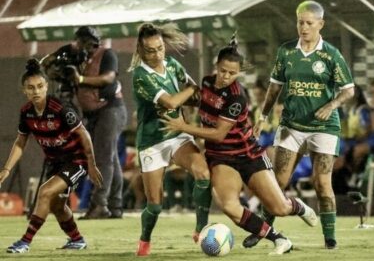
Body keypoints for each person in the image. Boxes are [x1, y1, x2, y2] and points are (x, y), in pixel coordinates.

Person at [161, 35, 318, 255]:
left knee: (279, 208)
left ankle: (298, 206)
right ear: (217, 65)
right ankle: (279, 239)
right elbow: (199, 100)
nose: (226, 76)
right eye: (223, 70)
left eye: (232, 73)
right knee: (229, 206)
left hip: (248, 155)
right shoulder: (206, 82)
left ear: (239, 73)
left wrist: (182, 126)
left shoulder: (237, 97)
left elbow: (218, 134)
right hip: (221, 158)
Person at [242, 0, 355, 250]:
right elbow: (274, 88)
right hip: (291, 126)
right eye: (299, 22)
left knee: (322, 185)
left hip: (324, 128)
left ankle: (330, 238)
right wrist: (262, 117)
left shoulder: (331, 55)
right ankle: (263, 231)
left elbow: (349, 90)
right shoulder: (286, 52)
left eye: (308, 23)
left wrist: (331, 105)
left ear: (320, 24)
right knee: (277, 182)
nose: (303, 27)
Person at [0, 59, 103, 254]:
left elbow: (84, 134)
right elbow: (21, 142)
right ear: (24, 90)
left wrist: (91, 163)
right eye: (30, 88)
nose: (36, 91)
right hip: (55, 163)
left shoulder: (60, 108)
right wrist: (6, 169)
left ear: (47, 86)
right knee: (57, 205)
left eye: (40, 86)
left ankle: (25, 241)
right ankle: (77, 239)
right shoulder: (26, 113)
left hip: (76, 160)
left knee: (45, 192)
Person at [130, 23, 212, 256]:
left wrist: (202, 95)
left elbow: (194, 96)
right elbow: (171, 102)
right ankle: (145, 239)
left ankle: (201, 228)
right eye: (151, 50)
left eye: (160, 48)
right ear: (140, 49)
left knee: (203, 174)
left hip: (177, 134)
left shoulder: (173, 65)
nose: (157, 54)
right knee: (155, 205)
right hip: (152, 142)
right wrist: (192, 88)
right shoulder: (140, 76)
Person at [42, 26, 127, 219]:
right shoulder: (76, 55)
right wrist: (53, 66)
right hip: (94, 113)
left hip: (111, 108)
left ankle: (99, 205)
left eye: (85, 42)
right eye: (79, 41)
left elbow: (108, 78)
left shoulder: (107, 54)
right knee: (110, 157)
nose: (81, 46)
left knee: (103, 158)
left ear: (94, 42)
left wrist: (80, 78)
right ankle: (115, 206)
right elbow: (49, 61)